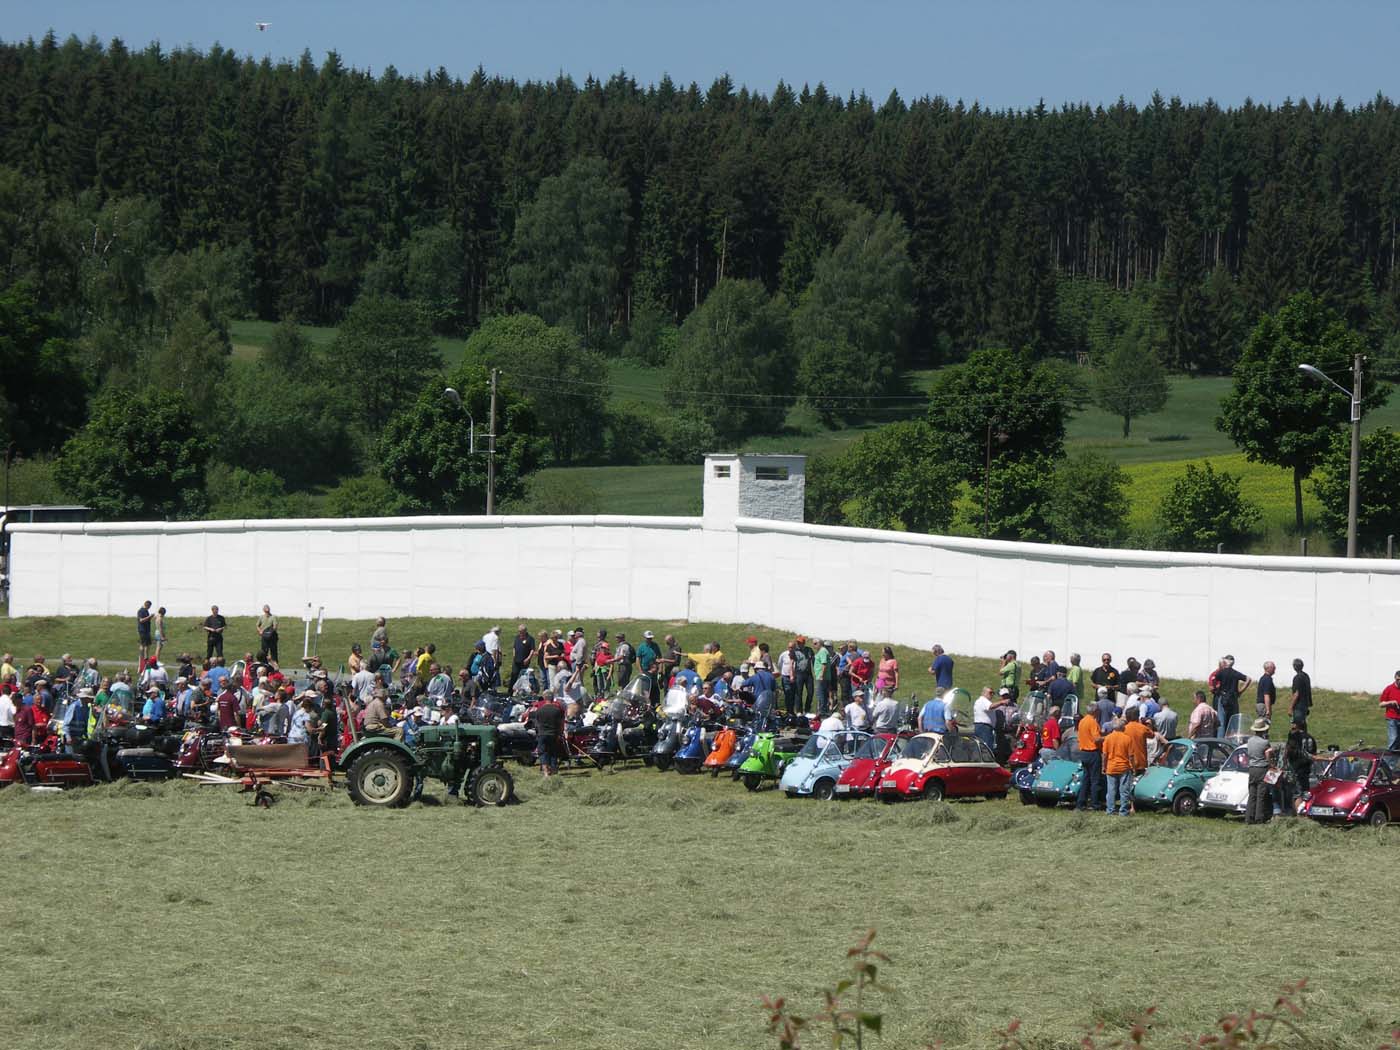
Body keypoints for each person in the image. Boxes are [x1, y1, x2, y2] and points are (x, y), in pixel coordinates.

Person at [1244, 718, 1276, 825]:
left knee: (1252, 794)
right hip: (1262, 768)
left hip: (1252, 768)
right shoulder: (1265, 742)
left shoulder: (1249, 741)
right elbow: (1268, 756)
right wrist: (1272, 765)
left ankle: (1249, 817)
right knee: (1261, 795)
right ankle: (1259, 818)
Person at [1074, 706, 1104, 811]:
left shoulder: (1082, 721)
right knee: (1095, 780)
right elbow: (1097, 739)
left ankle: (1080, 803)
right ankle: (1094, 804)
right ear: (1095, 711)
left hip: (1083, 752)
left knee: (1085, 779)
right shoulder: (1092, 722)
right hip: (1092, 753)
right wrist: (1105, 737)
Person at [1210, 655, 1251, 731]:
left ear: (1225, 662)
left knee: (1221, 722)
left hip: (1223, 697)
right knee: (1234, 721)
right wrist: (1240, 691)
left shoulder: (1221, 672)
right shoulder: (1235, 673)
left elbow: (1213, 680)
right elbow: (1248, 679)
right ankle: (1233, 740)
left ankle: (1221, 741)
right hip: (1233, 697)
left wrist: (1216, 689)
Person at [1101, 720, 1133, 816]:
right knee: (1124, 790)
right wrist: (1133, 767)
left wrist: (1103, 766)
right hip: (1124, 767)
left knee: (1111, 790)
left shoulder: (1108, 738)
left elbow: (1105, 754)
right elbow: (1131, 755)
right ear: (1122, 727)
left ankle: (1110, 809)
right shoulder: (1127, 738)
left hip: (1111, 767)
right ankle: (1123, 811)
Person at [532, 692, 565, 777]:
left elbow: (537, 724)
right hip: (553, 733)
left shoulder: (539, 710)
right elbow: (561, 723)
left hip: (542, 733)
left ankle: (546, 772)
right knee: (553, 752)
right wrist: (561, 733)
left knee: (542, 752)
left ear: (544, 698)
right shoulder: (557, 710)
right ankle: (554, 770)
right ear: (553, 698)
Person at [813, 640, 836, 717]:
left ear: (820, 644)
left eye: (815, 643)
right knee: (824, 694)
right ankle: (824, 710)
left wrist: (821, 675)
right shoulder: (822, 651)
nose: (814, 645)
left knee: (821, 694)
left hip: (822, 677)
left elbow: (824, 664)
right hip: (823, 677)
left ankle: (822, 711)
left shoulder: (822, 651)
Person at [510, 625, 535, 689]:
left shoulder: (530, 638)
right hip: (516, 661)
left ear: (525, 631)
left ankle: (521, 690)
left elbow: (532, 650)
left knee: (523, 677)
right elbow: (514, 647)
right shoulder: (517, 637)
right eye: (519, 631)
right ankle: (511, 691)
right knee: (514, 675)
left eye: (521, 631)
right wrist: (514, 655)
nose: (519, 633)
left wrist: (528, 658)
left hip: (524, 662)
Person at [972, 687, 996, 752]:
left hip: (983, 727)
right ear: (984, 693)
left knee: (982, 746)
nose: (992, 694)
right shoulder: (983, 700)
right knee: (986, 747)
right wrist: (1001, 702)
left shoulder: (984, 701)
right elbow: (991, 706)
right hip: (984, 727)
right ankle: (986, 759)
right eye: (990, 692)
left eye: (993, 693)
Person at [1289, 658, 1313, 726]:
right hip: (1305, 705)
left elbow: (1296, 693)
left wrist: (1290, 707)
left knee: (1297, 725)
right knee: (1303, 725)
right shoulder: (1306, 676)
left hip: (1299, 706)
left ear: (1295, 667)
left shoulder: (1297, 677)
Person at [1381, 670, 1400, 751]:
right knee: (1393, 738)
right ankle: (1389, 761)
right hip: (1392, 718)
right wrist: (1391, 702)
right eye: (1398, 679)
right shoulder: (1389, 688)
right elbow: (1381, 704)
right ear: (1395, 679)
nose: (1399, 681)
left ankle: (1397, 761)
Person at [136, 600, 154, 665]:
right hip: (143, 630)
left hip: (146, 630)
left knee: (147, 644)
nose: (149, 608)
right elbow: (141, 620)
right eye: (149, 606)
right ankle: (143, 657)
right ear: (147, 605)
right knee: (144, 644)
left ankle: (145, 657)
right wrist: (149, 617)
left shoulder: (146, 611)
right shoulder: (141, 611)